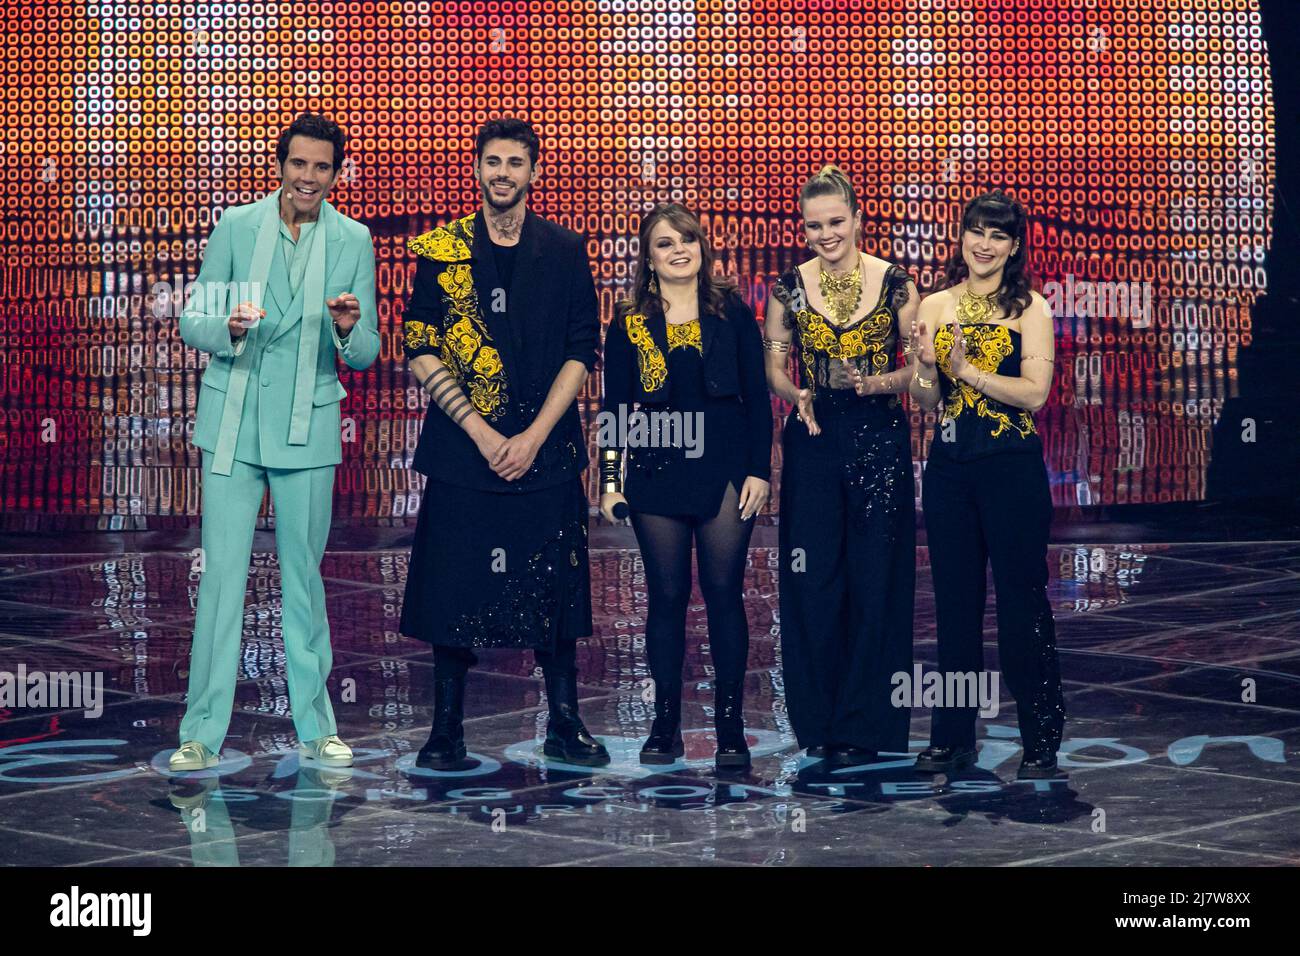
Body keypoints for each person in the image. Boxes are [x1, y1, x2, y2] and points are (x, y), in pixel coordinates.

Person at [171, 113, 380, 771]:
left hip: (308, 425)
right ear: (281, 164)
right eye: (299, 164)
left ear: (336, 172)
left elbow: (369, 350)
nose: (309, 177)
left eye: (322, 167)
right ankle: (200, 732)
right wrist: (228, 328)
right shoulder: (239, 226)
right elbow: (191, 318)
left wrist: (348, 328)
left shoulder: (353, 239)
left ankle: (317, 727)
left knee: (302, 582)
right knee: (221, 581)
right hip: (233, 421)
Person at [398, 117, 608, 769]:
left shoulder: (566, 248)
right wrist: (485, 434)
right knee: (452, 587)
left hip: (544, 453)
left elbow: (583, 348)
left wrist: (533, 435)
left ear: (534, 172)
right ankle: (446, 730)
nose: (502, 173)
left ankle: (564, 724)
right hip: (465, 452)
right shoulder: (443, 248)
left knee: (555, 590)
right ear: (478, 168)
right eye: (492, 161)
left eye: (515, 163)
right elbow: (420, 343)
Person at [598, 203, 772, 770]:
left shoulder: (732, 312)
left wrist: (759, 471)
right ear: (648, 258)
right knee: (666, 599)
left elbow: (756, 400)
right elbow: (616, 407)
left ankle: (730, 728)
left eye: (687, 240)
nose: (679, 250)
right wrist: (610, 481)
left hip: (723, 472)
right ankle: (665, 724)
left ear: (702, 248)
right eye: (665, 243)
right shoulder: (627, 321)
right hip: (654, 472)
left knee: (724, 596)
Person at [765, 165, 919, 767]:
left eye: (836, 222)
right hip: (814, 438)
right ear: (803, 229)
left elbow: (923, 371)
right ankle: (819, 721)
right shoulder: (789, 289)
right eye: (814, 226)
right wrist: (792, 392)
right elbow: (774, 365)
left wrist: (879, 380)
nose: (826, 234)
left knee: (877, 580)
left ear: (857, 219)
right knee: (814, 581)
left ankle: (870, 722)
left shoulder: (896, 284)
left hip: (879, 438)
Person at [908, 190, 1066, 779]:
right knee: (955, 607)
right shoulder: (935, 304)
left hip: (1011, 471)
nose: (984, 243)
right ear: (963, 236)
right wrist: (926, 370)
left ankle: (1041, 737)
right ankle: (953, 736)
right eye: (976, 230)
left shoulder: (1032, 308)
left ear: (1014, 246)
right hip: (950, 471)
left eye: (997, 234)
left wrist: (968, 370)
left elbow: (1034, 395)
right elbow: (927, 401)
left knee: (1021, 603)